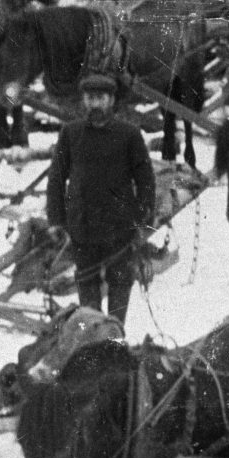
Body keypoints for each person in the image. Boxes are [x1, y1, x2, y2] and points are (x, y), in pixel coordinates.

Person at [46, 72, 157, 324]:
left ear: (111, 101)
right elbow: (56, 179)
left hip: (119, 230)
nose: (95, 104)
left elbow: (146, 181)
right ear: (84, 101)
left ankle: (116, 334)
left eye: (101, 98)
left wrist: (143, 220)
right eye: (90, 98)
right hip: (82, 227)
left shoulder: (129, 134)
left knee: (120, 284)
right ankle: (93, 336)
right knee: (87, 287)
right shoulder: (71, 133)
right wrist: (56, 220)